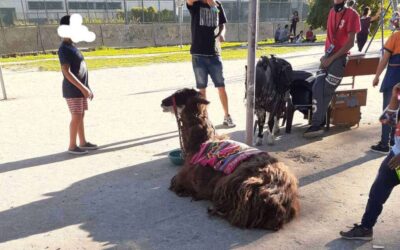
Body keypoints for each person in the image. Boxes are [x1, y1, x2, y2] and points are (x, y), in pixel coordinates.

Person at [339, 83, 400, 240]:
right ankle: (366, 228)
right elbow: (387, 121)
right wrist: (394, 97)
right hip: (395, 156)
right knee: (378, 191)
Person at [303, 0, 361, 138]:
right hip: (328, 56)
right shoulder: (331, 12)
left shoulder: (352, 14)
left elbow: (350, 43)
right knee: (317, 86)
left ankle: (318, 124)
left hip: (339, 58)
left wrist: (332, 58)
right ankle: (317, 122)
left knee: (327, 90)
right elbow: (330, 38)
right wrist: (325, 57)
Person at [186, 0, 235, 128]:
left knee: (221, 87)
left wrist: (222, 35)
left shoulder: (217, 5)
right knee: (202, 89)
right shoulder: (196, 4)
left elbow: (222, 24)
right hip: (198, 54)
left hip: (214, 54)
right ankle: (205, 118)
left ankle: (227, 116)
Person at [58, 15, 98, 154]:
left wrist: (87, 87)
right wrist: (83, 88)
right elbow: (66, 71)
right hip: (72, 90)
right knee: (76, 116)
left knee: (81, 115)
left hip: (80, 89)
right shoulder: (63, 49)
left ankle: (83, 142)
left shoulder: (72, 47)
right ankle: (72, 146)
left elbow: (81, 69)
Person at [371, 16, 400, 153]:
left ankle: (384, 143)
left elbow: (385, 59)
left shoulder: (395, 37)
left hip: (393, 79)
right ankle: (395, 143)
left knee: (389, 111)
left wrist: (376, 76)